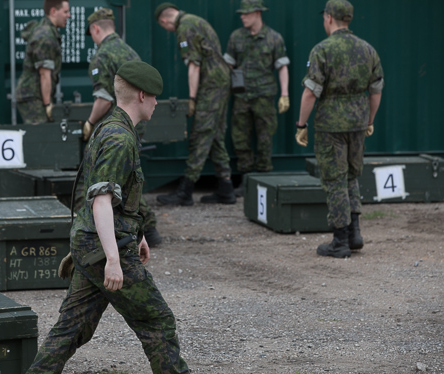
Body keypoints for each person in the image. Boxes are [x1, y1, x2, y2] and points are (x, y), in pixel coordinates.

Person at [25, 61, 190, 374]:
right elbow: (101, 201)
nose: (157, 102)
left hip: (91, 245)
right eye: (155, 96)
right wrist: (114, 259)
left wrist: (138, 232)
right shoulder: (119, 139)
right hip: (103, 248)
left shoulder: (112, 125)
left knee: (72, 328)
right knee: (157, 321)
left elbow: (119, 197)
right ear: (142, 95)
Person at [295, 0, 383, 258]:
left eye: (325, 17)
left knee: (334, 179)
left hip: (330, 125)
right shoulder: (368, 49)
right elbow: (376, 91)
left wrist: (301, 124)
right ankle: (355, 233)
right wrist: (369, 120)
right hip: (357, 122)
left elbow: (310, 93)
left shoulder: (322, 50)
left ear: (330, 18)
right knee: (351, 176)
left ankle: (340, 240)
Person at [76, 8, 162, 246]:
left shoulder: (102, 55)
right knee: (129, 174)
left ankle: (145, 227)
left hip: (119, 125)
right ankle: (146, 228)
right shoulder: (129, 50)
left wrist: (90, 123)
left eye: (91, 34)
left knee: (112, 176)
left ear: (96, 29)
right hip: (135, 122)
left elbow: (103, 99)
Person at [154, 3, 236, 206]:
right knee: (215, 134)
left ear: (164, 21)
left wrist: (192, 98)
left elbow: (194, 64)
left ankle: (186, 190)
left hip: (211, 86)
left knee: (201, 133)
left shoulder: (184, 27)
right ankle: (226, 187)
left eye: (164, 27)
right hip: (222, 81)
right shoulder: (196, 20)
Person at [223, 0, 290, 196]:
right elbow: (228, 66)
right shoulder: (236, 37)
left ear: (258, 13)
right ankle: (245, 179)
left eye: (246, 13)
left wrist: (284, 94)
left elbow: (282, 66)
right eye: (241, 14)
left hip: (264, 96)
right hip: (241, 96)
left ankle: (264, 178)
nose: (242, 16)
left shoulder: (273, 38)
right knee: (240, 137)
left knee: (265, 137)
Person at [15, 0, 70, 124]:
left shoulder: (47, 31)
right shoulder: (46, 36)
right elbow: (44, 74)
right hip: (33, 96)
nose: (69, 15)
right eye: (65, 12)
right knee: (41, 135)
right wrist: (47, 104)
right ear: (53, 12)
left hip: (35, 95)